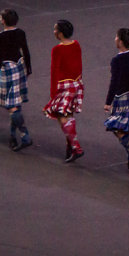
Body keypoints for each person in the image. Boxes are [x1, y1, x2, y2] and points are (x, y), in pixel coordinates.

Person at [0, 8, 32, 151]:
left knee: (11, 105)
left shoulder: (1, 36)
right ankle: (13, 136)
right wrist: (28, 69)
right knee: (16, 104)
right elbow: (25, 51)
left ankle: (24, 134)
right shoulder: (21, 33)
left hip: (8, 68)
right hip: (19, 66)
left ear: (3, 20)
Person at [43, 19, 84, 163]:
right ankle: (70, 147)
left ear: (60, 34)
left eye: (55, 30)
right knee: (69, 114)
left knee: (61, 115)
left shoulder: (57, 49)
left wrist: (53, 92)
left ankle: (76, 146)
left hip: (63, 86)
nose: (53, 32)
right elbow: (78, 64)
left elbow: (54, 71)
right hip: (76, 83)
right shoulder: (76, 45)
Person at [102, 28, 129, 172]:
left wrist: (108, 101)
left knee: (116, 127)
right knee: (128, 127)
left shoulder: (117, 60)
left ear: (120, 42)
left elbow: (114, 81)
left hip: (122, 97)